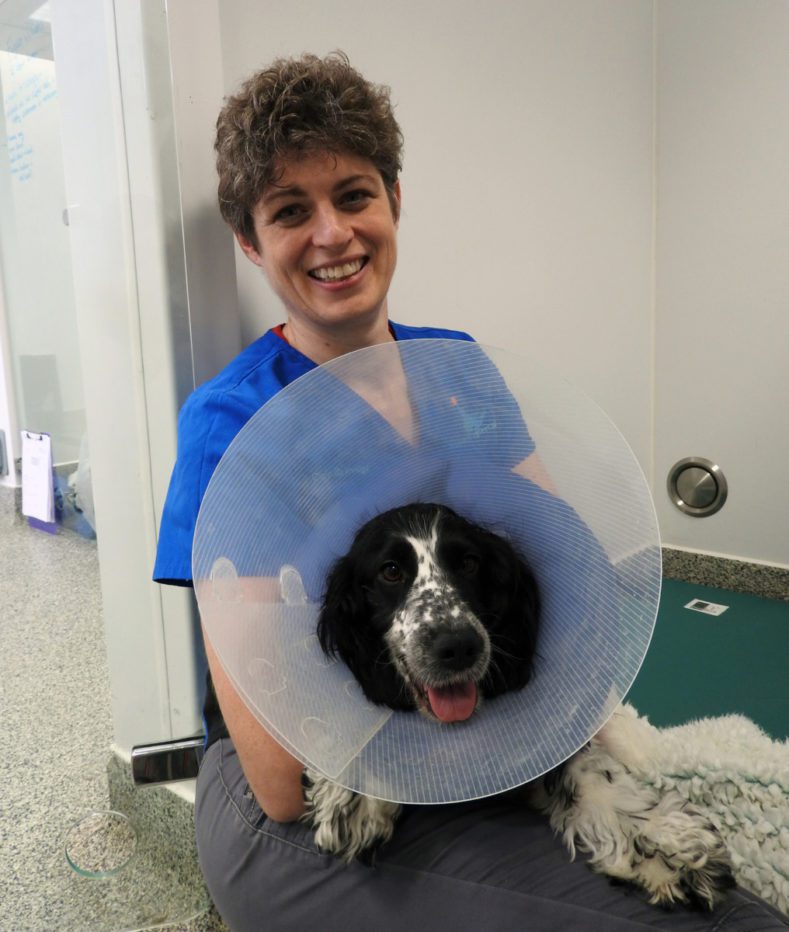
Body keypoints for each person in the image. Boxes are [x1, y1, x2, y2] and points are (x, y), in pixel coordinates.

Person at [153, 52, 787, 931]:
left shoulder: (459, 368)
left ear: (395, 200)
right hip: (312, 796)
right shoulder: (231, 421)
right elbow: (278, 779)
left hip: (481, 731)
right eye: (290, 211)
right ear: (251, 242)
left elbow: (560, 594)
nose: (331, 234)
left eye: (354, 194)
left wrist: (536, 754)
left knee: (715, 892)